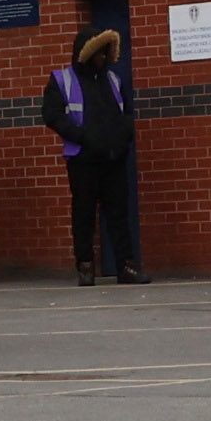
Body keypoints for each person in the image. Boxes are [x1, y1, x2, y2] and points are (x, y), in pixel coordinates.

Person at [45, 23, 142, 282]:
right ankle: (85, 265)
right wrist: (82, 137)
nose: (102, 58)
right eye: (98, 53)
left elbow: (127, 112)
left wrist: (124, 137)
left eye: (105, 53)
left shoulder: (113, 79)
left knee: (119, 213)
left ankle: (126, 265)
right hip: (83, 159)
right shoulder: (61, 79)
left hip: (114, 157)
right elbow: (52, 115)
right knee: (84, 214)